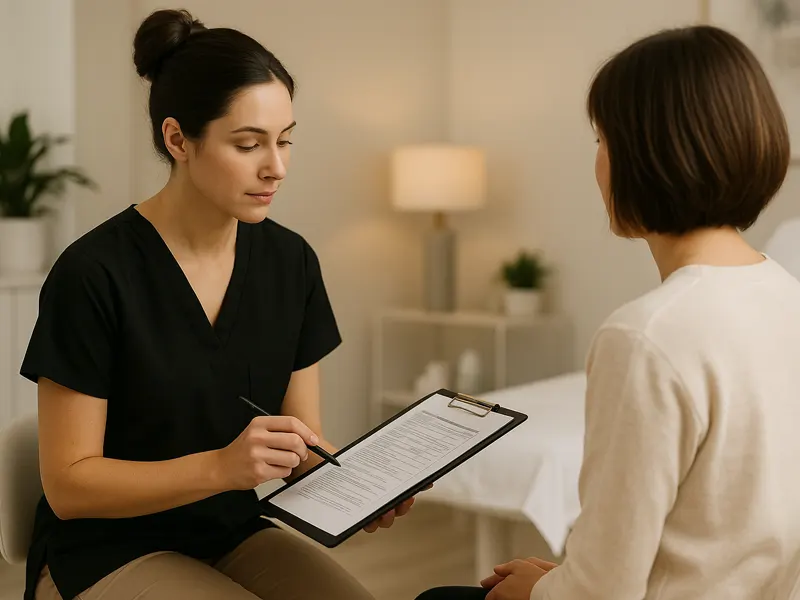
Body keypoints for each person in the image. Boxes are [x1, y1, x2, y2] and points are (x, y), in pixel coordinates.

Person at [21, 9, 417, 600]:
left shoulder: (292, 263)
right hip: (105, 546)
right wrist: (222, 468)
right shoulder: (93, 274)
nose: (276, 167)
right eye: (248, 143)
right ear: (178, 139)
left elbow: (300, 443)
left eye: (284, 141)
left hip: (229, 530)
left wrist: (356, 483)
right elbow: (70, 486)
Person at [418, 24, 800, 600]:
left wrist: (537, 591)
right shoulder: (785, 295)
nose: (597, 164)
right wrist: (565, 578)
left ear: (649, 155)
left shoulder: (646, 336)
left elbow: (605, 593)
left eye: (601, 141)